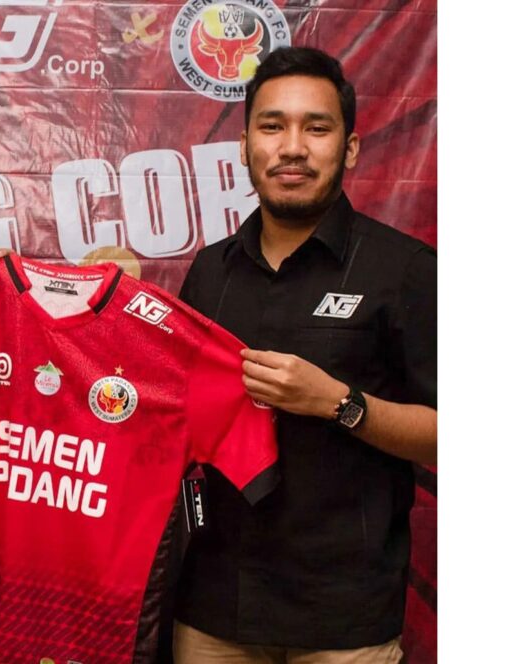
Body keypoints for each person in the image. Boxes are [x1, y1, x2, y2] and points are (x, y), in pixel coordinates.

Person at [172, 47, 437, 663]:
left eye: (316, 128)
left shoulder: (404, 270)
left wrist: (339, 403)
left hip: (344, 619)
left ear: (350, 148)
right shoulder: (210, 271)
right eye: (272, 126)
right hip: (215, 608)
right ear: (245, 146)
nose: (292, 148)